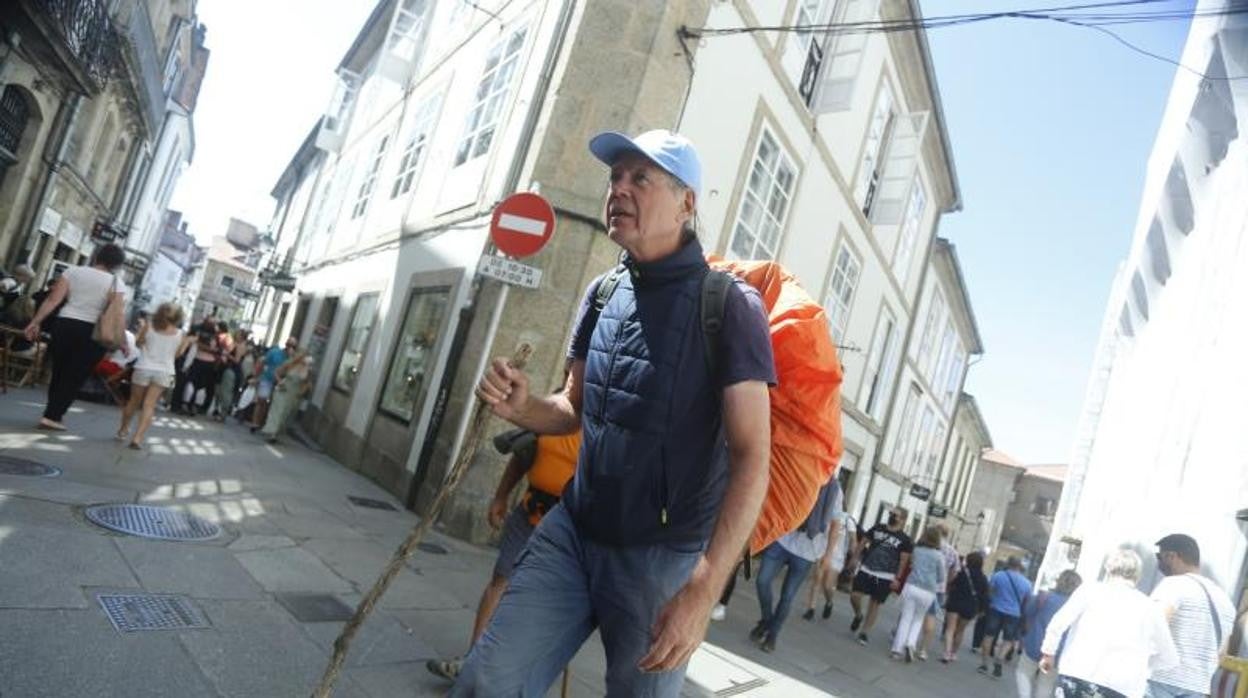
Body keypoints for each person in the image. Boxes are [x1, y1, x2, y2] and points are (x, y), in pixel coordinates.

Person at [455, 129, 775, 696]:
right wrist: (524, 406)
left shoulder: (729, 307)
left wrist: (702, 590)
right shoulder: (603, 293)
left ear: (686, 203)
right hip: (572, 534)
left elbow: (753, 456)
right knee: (486, 680)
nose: (618, 189)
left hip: (663, 562)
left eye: (639, 178)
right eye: (614, 177)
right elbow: (571, 408)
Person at [427, 424, 583, 682]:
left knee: (542, 601)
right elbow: (521, 457)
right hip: (528, 512)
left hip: (566, 525)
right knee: (501, 580)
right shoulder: (555, 410)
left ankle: (512, 673)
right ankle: (473, 662)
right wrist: (501, 496)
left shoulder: (604, 419)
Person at [1040, 549, 1178, 698]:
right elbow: (1169, 657)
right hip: (1122, 687)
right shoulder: (1151, 608)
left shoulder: (1089, 591)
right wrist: (1141, 664)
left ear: (1108, 569)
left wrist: (1049, 653)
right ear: (1137, 576)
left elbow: (1058, 623)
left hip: (1077, 672)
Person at [23, 244, 127, 431]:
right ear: (117, 264)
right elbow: (117, 314)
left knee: (59, 370)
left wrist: (36, 321)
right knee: (76, 375)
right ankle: (52, 416)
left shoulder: (73, 272)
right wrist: (123, 341)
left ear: (97, 256)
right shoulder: (116, 283)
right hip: (92, 331)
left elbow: (53, 300)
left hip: (65, 324)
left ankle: (52, 412)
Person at [752, 480, 842, 653]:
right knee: (762, 580)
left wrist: (828, 555)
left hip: (807, 549)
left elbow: (836, 524)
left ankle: (772, 636)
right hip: (782, 538)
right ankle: (767, 620)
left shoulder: (834, 489)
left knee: (787, 596)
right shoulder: (803, 470)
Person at [1147, 534, 1236, 698]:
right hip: (1198, 687)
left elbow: (1154, 627)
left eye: (1159, 557)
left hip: (1161, 681)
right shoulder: (1225, 600)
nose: (1159, 563)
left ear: (1172, 556)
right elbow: (1222, 652)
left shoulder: (1173, 584)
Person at [118, 303, 192, 449]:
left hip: (143, 367)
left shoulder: (149, 326)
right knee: (149, 405)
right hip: (164, 371)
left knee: (133, 401)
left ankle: (123, 429)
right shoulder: (180, 334)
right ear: (178, 317)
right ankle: (137, 438)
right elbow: (177, 355)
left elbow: (138, 344)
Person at [849, 507, 914, 646]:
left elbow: (903, 560)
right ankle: (859, 614)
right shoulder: (878, 527)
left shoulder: (905, 540)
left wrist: (897, 578)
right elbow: (863, 542)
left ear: (903, 520)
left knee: (875, 604)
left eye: (895, 515)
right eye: (891, 513)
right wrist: (855, 558)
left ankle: (864, 633)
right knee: (854, 595)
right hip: (867, 568)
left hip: (886, 575)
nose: (891, 516)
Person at [1016, 569, 1082, 697]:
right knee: (1046, 685)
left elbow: (1028, 612)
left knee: (1023, 672)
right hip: (1058, 653)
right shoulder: (1077, 607)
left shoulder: (1044, 597)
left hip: (1034, 645)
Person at [892, 525, 949, 662]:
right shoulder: (939, 555)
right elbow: (941, 577)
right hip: (928, 591)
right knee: (918, 619)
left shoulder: (917, 550)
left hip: (912, 586)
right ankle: (911, 644)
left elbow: (911, 565)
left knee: (906, 618)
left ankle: (896, 649)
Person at [802, 492, 856, 622]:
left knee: (827, 585)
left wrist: (852, 556)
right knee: (817, 580)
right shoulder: (826, 513)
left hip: (837, 556)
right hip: (822, 550)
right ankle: (811, 609)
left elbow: (853, 539)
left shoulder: (848, 519)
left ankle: (829, 601)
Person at [979, 556, 1034, 678]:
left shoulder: (998, 575)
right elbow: (1027, 601)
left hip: (996, 609)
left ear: (1008, 564)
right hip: (1014, 614)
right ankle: (1000, 658)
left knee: (989, 636)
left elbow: (990, 591)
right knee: (1008, 640)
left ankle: (984, 664)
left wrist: (994, 600)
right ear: (1020, 567)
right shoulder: (1027, 583)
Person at [918, 522, 963, 660]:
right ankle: (924, 650)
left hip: (920, 584)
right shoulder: (953, 552)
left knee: (913, 614)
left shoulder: (926, 545)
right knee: (931, 618)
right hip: (938, 589)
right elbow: (955, 572)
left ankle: (902, 638)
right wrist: (946, 582)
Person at [943, 550, 990, 663]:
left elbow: (951, 584)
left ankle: (946, 653)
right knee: (960, 631)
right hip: (970, 607)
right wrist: (982, 610)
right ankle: (954, 654)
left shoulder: (962, 572)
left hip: (955, 602)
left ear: (968, 561)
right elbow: (984, 596)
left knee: (950, 629)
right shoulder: (983, 578)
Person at [260, 351, 313, 444]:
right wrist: (279, 381)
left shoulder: (307, 369)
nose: (305, 359)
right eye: (304, 357)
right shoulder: (290, 364)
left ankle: (276, 432)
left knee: (285, 414)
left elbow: (307, 383)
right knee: (278, 411)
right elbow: (276, 372)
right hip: (283, 389)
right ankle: (272, 434)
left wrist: (301, 392)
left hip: (294, 393)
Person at [251, 337, 295, 433]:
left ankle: (263, 423)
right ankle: (255, 423)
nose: (290, 347)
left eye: (293, 346)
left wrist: (292, 358)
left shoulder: (293, 359)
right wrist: (256, 376)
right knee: (261, 400)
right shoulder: (275, 352)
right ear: (286, 344)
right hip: (267, 379)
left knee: (270, 404)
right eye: (289, 344)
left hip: (281, 383)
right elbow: (262, 362)